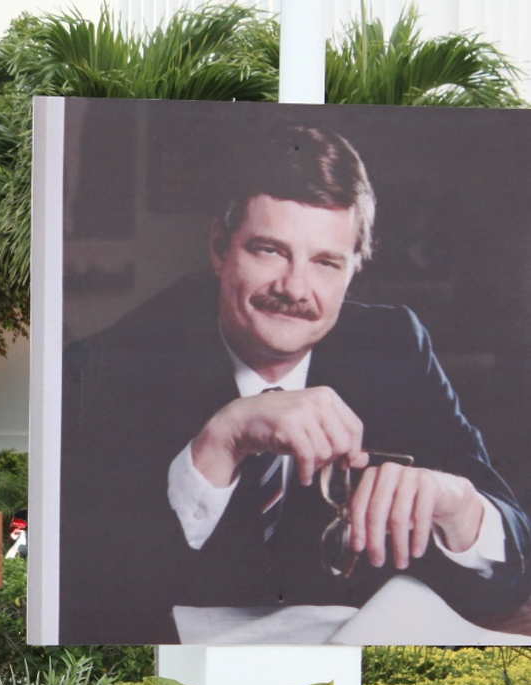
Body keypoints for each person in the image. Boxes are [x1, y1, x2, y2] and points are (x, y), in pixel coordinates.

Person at [61, 124, 531, 643]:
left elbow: (515, 567)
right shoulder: (111, 360)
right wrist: (221, 441)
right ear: (220, 248)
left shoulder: (393, 344)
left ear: (354, 269)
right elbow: (87, 595)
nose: (295, 288)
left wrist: (459, 505)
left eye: (326, 263)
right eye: (269, 251)